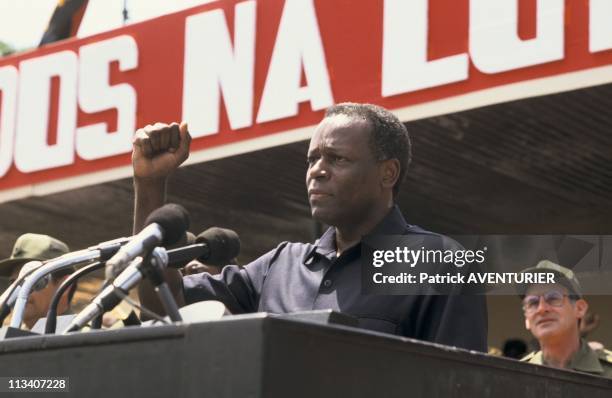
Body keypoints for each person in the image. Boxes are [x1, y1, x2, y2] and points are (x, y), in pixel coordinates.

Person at [133, 103, 487, 351]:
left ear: (388, 173)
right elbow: (164, 304)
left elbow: (460, 385)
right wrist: (150, 185)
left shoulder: (442, 262)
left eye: (337, 158)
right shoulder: (278, 266)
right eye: (313, 158)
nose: (317, 170)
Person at [519, 260, 612, 377]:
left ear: (579, 308)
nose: (541, 309)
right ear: (526, 319)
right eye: (533, 302)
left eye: (553, 298)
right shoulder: (514, 377)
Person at [0, 233, 75, 330]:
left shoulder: (87, 339)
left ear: (65, 285)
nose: (19, 291)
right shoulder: (7, 336)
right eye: (14, 282)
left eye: (32, 281)